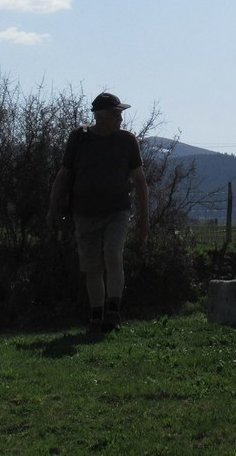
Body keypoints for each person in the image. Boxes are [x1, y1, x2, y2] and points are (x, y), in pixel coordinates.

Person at [47, 92, 149, 332]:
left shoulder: (128, 141)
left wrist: (144, 217)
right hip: (84, 212)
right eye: (117, 114)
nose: (121, 119)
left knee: (113, 254)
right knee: (92, 266)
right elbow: (64, 174)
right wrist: (52, 209)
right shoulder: (79, 139)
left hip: (118, 210)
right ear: (102, 117)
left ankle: (113, 312)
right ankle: (96, 316)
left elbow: (140, 180)